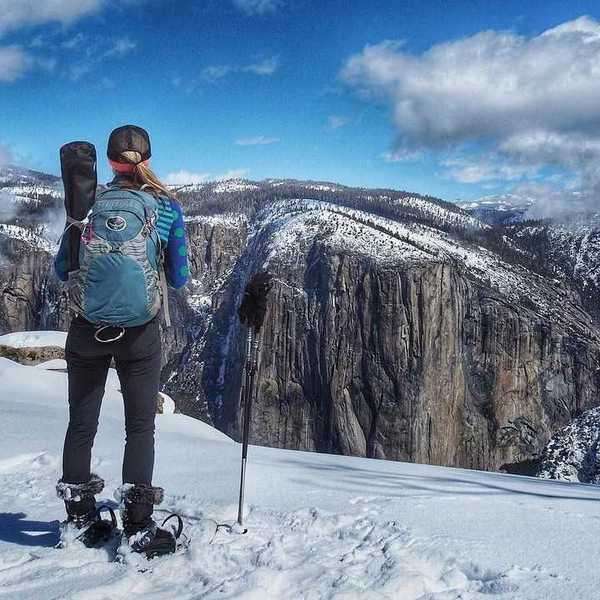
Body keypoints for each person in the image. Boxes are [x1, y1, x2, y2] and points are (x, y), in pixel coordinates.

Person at [53, 124, 189, 558]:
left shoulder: (86, 204)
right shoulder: (165, 208)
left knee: (81, 423)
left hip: (86, 331)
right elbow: (181, 276)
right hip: (139, 336)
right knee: (139, 427)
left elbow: (61, 269)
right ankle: (138, 526)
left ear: (109, 162)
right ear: (146, 160)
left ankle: (79, 518)